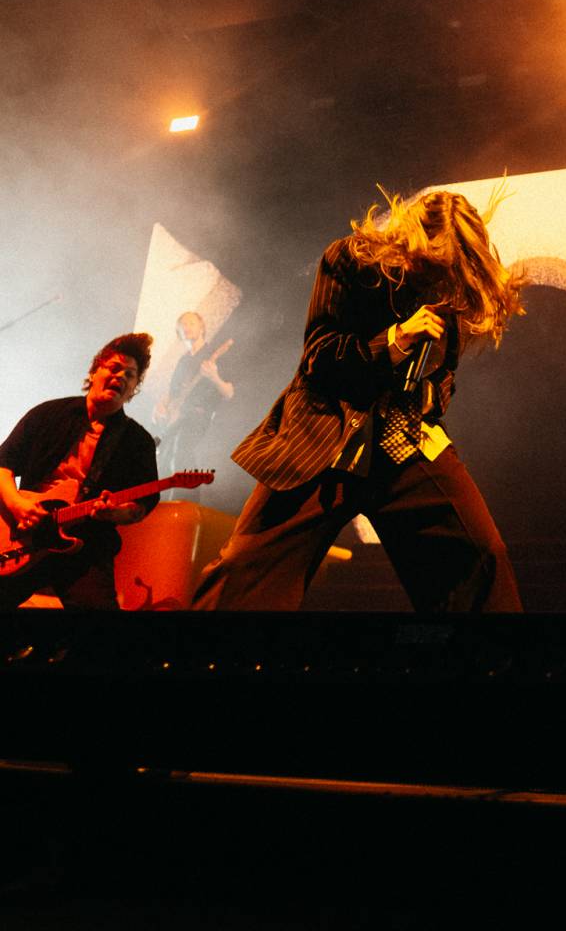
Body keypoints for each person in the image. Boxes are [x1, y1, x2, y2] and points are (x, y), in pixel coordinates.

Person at [193, 188, 525, 613]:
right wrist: (395, 341)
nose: (433, 277)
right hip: (326, 435)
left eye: (445, 269)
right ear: (409, 239)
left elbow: (445, 378)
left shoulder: (452, 289)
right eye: (429, 263)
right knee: (243, 571)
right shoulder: (350, 260)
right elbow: (319, 357)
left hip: (403, 443)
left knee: (481, 559)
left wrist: (429, 395)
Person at [0, 333, 158, 609]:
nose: (121, 377)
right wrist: (17, 506)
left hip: (86, 548)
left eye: (130, 375)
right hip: (24, 534)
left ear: (134, 388)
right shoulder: (48, 414)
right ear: (95, 371)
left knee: (99, 624)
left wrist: (116, 513)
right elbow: (4, 464)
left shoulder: (137, 441)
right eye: (114, 368)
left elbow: (142, 505)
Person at [154, 311, 234, 476]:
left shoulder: (214, 355)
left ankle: (188, 491)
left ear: (202, 328)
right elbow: (173, 392)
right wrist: (161, 406)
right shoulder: (183, 360)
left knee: (180, 456)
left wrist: (214, 376)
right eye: (183, 324)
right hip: (177, 416)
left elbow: (229, 393)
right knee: (161, 459)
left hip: (197, 418)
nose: (187, 327)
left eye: (191, 323)